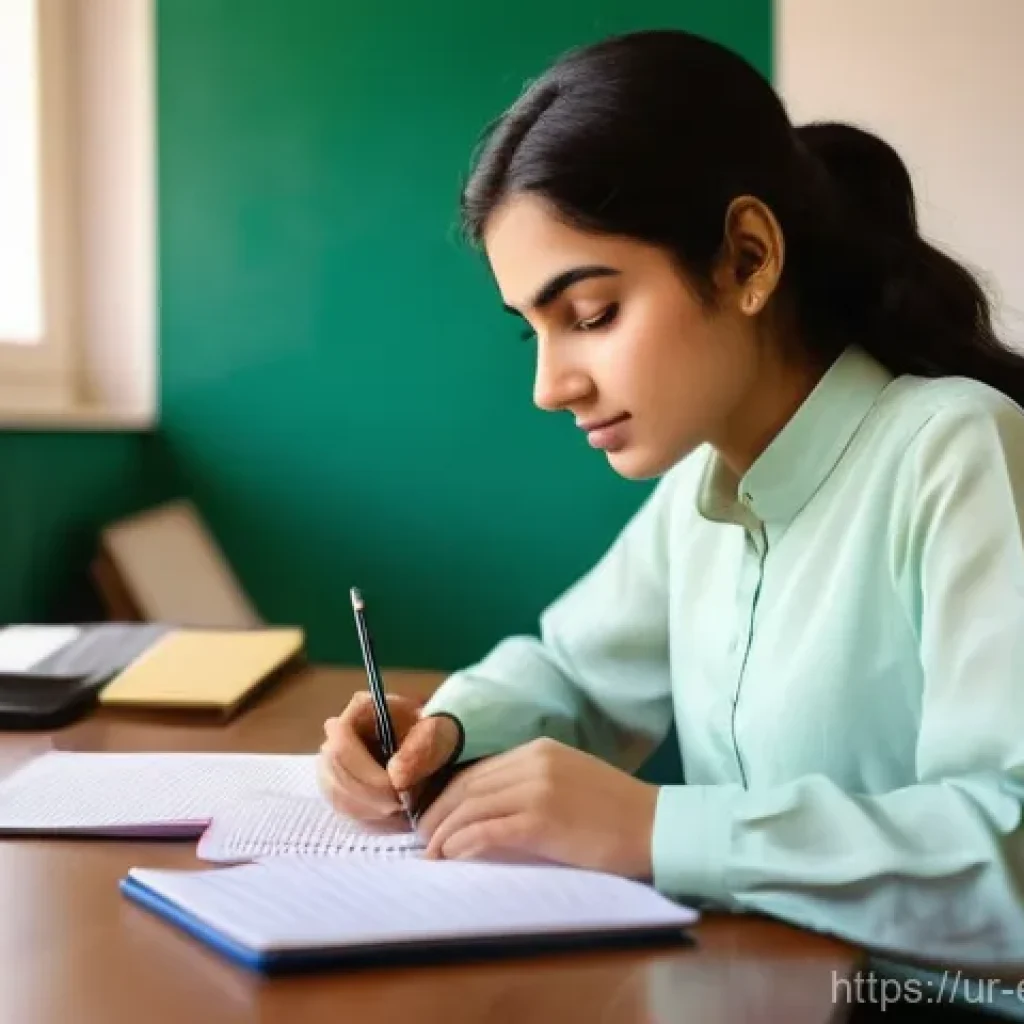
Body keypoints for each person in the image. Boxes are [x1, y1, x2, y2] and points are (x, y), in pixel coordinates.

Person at [317, 29, 1024, 959]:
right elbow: (575, 674)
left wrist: (655, 828)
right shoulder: (705, 485)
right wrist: (445, 731)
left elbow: (1006, 849)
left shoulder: (957, 450)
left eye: (592, 314)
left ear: (748, 258)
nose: (550, 387)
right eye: (534, 331)